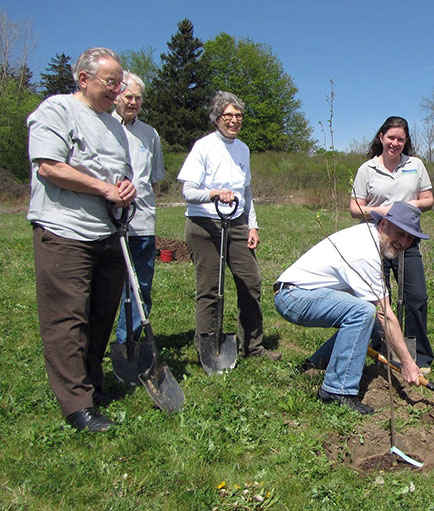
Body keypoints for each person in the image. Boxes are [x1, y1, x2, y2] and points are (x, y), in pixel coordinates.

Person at [27, 47, 136, 432]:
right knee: (67, 318)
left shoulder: (113, 126)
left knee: (100, 314)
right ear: (84, 79)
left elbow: (119, 174)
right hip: (64, 231)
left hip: (107, 233)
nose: (117, 90)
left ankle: (92, 385)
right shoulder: (57, 110)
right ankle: (76, 405)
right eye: (111, 82)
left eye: (120, 83)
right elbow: (49, 166)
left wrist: (124, 187)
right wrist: (104, 189)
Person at [274, 202, 426, 414]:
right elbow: (386, 315)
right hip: (293, 296)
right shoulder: (365, 252)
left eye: (410, 238)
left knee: (367, 314)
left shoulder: (369, 238)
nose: (404, 242)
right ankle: (338, 390)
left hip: (301, 294)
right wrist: (408, 364)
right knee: (364, 312)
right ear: (382, 225)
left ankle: (317, 366)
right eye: (400, 233)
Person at [177, 91, 279, 360]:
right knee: (210, 288)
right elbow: (188, 191)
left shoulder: (243, 149)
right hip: (204, 224)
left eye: (238, 116)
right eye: (228, 115)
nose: (234, 120)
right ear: (217, 117)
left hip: (236, 223)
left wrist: (252, 226)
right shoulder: (204, 147)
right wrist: (213, 193)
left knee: (251, 282)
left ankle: (253, 346)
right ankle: (208, 347)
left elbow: (246, 193)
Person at [350, 116, 434, 373]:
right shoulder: (367, 169)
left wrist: (404, 207)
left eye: (401, 139)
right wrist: (382, 210)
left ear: (406, 141)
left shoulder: (416, 165)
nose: (395, 143)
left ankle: (419, 355)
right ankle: (381, 348)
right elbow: (355, 208)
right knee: (377, 300)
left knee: (416, 296)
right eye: (391, 138)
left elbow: (428, 200)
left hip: (406, 240)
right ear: (381, 138)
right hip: (375, 240)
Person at [112, 71, 165, 345]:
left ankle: (128, 342)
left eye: (137, 97)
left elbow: (153, 178)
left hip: (142, 221)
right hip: (107, 221)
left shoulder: (149, 134)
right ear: (116, 95)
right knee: (107, 286)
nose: (132, 102)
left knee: (141, 285)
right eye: (127, 96)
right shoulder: (104, 125)